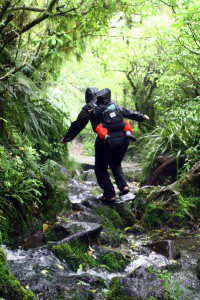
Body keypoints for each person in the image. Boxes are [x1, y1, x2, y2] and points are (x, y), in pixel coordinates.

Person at [93, 88, 149, 202]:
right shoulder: (117, 107)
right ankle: (124, 186)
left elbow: (94, 124)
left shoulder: (97, 110)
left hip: (109, 140)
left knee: (100, 169)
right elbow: (130, 113)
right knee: (115, 163)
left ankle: (109, 194)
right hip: (124, 139)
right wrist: (143, 117)